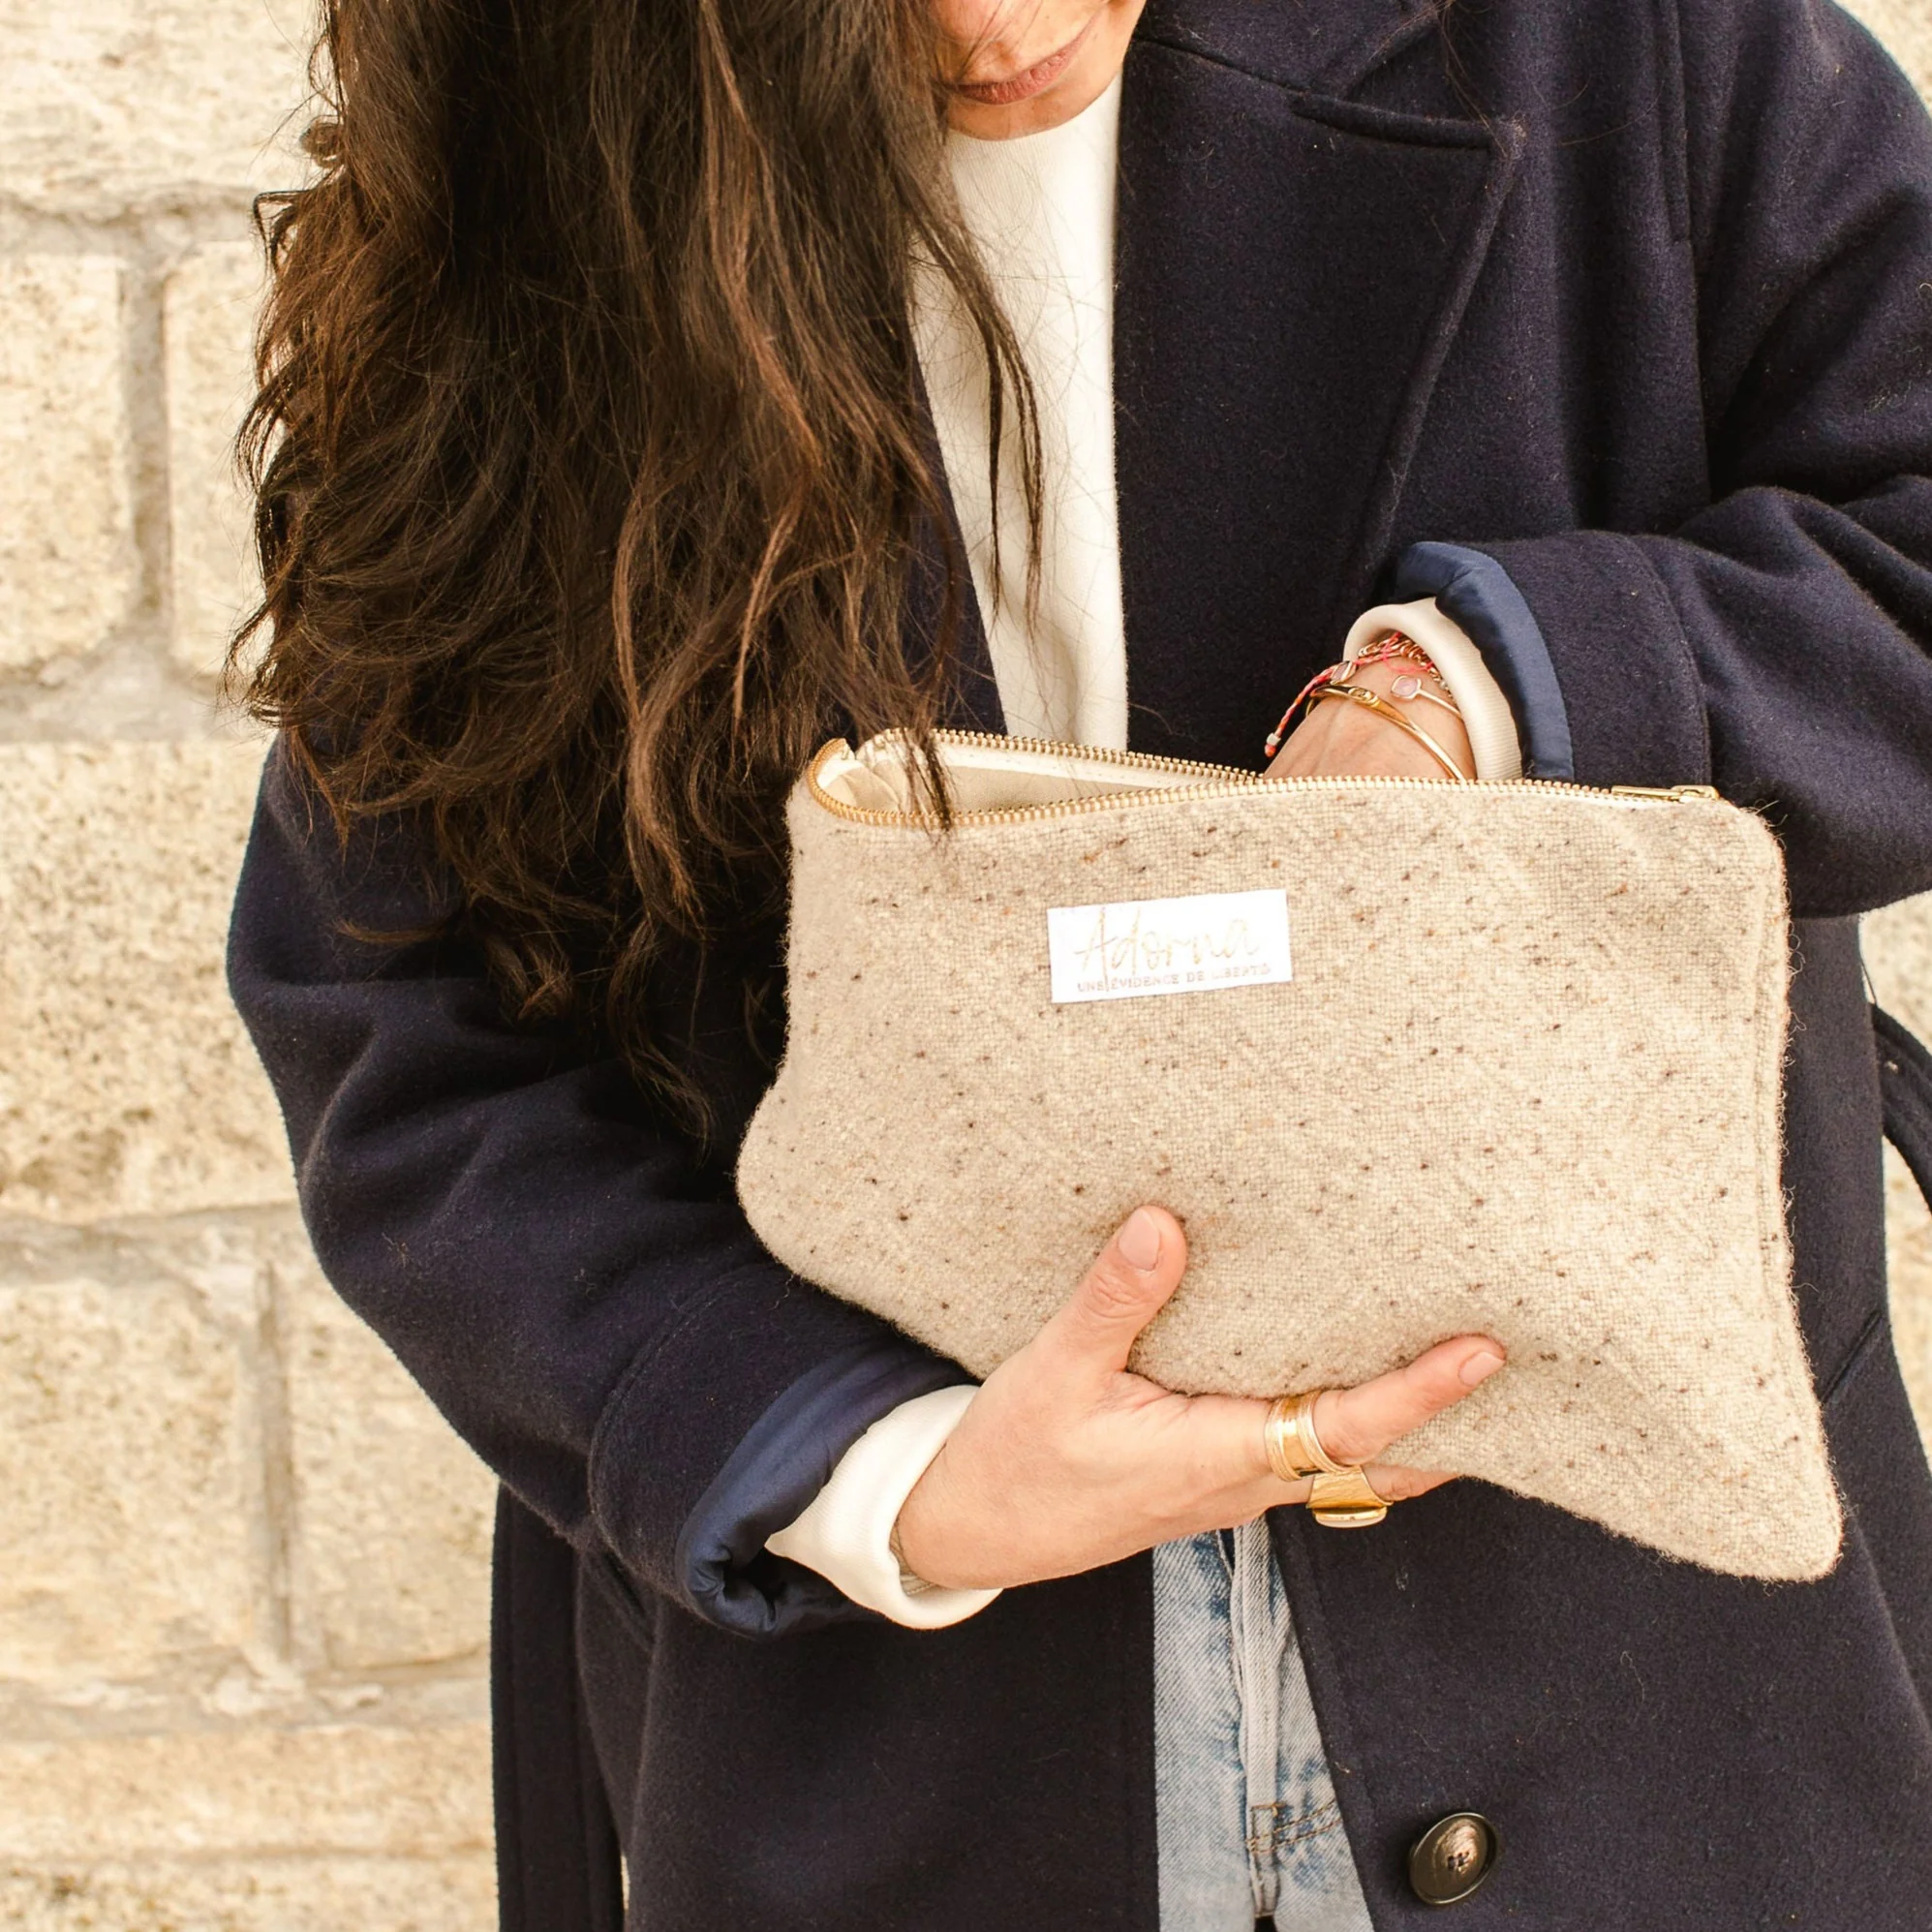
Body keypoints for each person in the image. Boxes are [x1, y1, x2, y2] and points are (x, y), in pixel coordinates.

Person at [226, 0, 1932, 1923]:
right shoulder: (539, 192)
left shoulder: (1624, 48)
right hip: (901, 1753)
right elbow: (402, 1027)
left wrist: (1487, 690)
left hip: (1654, 1706)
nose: (992, 28)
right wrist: (884, 1472)